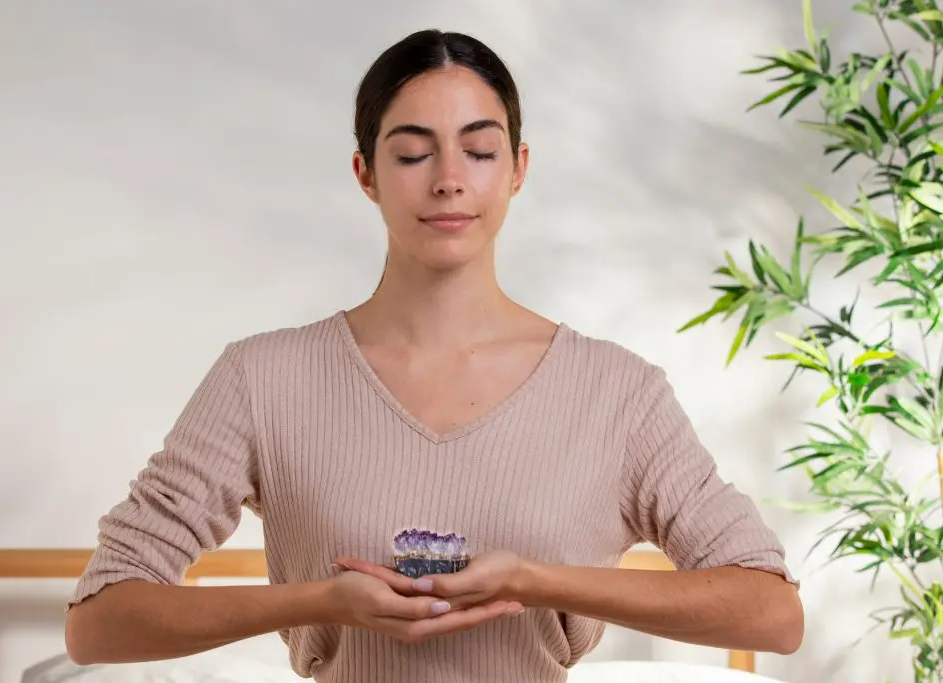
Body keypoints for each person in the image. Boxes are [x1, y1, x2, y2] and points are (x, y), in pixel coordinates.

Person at [64, 28, 803, 683]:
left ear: (517, 168)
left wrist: (540, 580)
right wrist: (320, 600)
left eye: (479, 150)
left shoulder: (617, 392)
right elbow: (98, 620)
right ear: (365, 174)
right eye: (414, 152)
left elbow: (772, 613)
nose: (449, 177)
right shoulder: (263, 378)